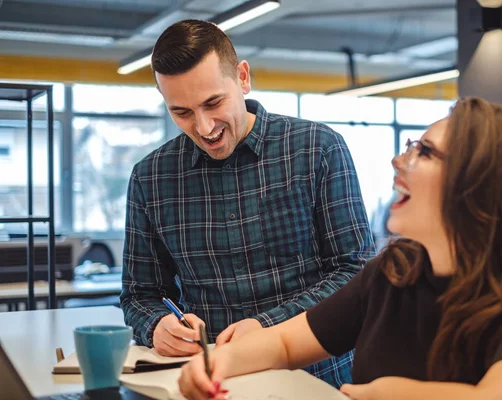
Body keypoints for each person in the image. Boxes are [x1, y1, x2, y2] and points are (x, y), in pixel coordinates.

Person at [178, 97, 502, 400]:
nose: (400, 161)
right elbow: (285, 344)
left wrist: (393, 393)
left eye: (426, 152)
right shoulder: (394, 274)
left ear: (481, 187)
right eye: (410, 146)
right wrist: (215, 363)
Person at [119, 19, 374, 388]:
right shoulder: (151, 178)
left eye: (213, 103)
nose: (204, 128)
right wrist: (157, 325)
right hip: (210, 383)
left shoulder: (317, 149)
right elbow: (140, 293)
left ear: (242, 77)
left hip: (317, 379)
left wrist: (265, 328)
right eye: (182, 112)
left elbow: (356, 273)